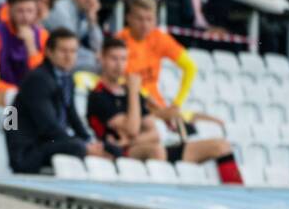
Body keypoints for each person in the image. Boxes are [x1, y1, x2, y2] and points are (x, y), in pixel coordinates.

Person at [87, 38, 244, 182]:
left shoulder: (130, 91)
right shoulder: (99, 96)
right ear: (103, 59)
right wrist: (134, 94)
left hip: (147, 148)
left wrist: (128, 139)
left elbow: (154, 133)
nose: (119, 65)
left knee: (221, 145)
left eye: (123, 59)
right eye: (114, 59)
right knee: (156, 150)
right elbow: (133, 129)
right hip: (121, 154)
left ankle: (238, 196)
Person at [7, 28, 107, 174]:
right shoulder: (38, 79)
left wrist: (89, 141)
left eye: (73, 51)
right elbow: (48, 127)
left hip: (49, 143)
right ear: (48, 51)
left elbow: (73, 117)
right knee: (77, 147)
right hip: (29, 151)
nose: (69, 57)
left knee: (110, 149)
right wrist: (83, 145)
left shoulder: (68, 78)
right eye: (63, 51)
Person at [118, 0, 197, 115]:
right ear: (128, 18)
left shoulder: (159, 38)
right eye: (139, 19)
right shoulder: (120, 42)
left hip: (158, 107)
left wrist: (177, 103)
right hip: (129, 106)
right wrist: (146, 96)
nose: (144, 24)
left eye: (149, 19)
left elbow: (190, 67)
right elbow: (118, 79)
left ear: (155, 20)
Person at [0, 0, 48, 102]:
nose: (25, 17)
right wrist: (18, 91)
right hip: (1, 94)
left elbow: (43, 79)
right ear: (10, 10)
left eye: (30, 11)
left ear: (36, 12)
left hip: (30, 95)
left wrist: (31, 47)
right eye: (20, 11)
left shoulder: (43, 36)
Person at [44, 0, 103, 73]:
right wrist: (101, 59)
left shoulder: (86, 12)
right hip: (49, 61)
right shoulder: (60, 9)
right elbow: (70, 48)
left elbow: (98, 47)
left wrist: (92, 21)